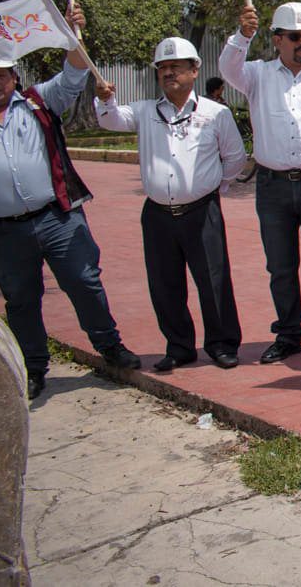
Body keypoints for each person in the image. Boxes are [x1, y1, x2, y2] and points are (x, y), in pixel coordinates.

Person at [0, 4, 141, 400]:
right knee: (21, 300)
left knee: (84, 281)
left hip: (57, 219)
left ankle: (109, 346)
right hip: (4, 231)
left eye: (0, 75)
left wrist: (70, 30)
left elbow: (74, 73)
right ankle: (34, 367)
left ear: (14, 77)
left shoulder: (37, 103)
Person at [94, 37, 245, 372]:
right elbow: (111, 120)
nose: (169, 73)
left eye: (176, 66)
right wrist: (106, 99)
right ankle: (179, 346)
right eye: (163, 68)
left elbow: (234, 158)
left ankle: (222, 344)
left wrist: (211, 186)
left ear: (194, 70)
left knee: (213, 279)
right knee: (164, 283)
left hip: (202, 211)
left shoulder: (215, 113)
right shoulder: (145, 110)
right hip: (158, 214)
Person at [220, 2, 301, 365]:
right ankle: (289, 334)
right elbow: (226, 68)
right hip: (273, 186)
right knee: (280, 266)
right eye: (295, 36)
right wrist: (242, 35)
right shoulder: (256, 74)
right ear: (277, 39)